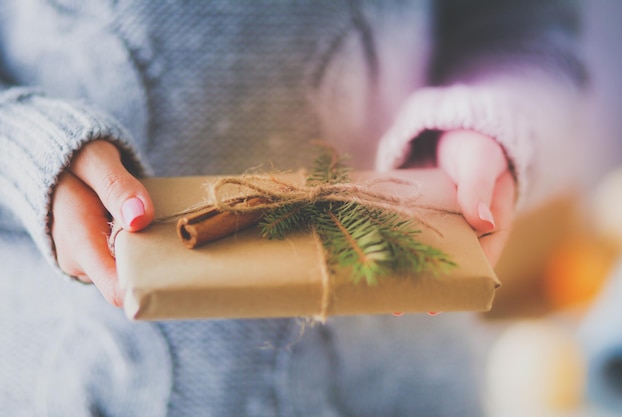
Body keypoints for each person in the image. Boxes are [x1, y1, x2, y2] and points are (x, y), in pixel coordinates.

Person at [0, 1, 587, 415]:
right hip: (82, 386)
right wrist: (25, 149)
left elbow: (524, 26)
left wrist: (487, 121)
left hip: (407, 385)